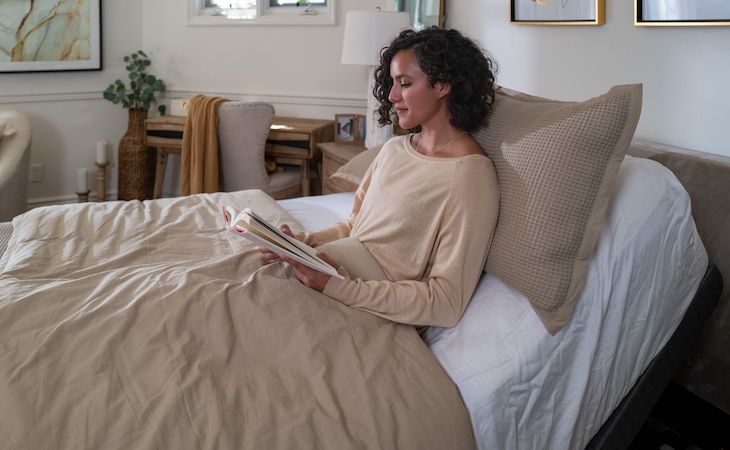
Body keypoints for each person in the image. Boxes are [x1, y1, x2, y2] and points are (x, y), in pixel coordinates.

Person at [262, 27, 500, 328]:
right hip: (327, 272)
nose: (391, 96)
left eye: (405, 83)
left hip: (360, 303)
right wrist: (299, 243)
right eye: (392, 83)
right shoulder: (394, 149)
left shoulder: (469, 175)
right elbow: (355, 227)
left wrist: (333, 285)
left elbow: (446, 303)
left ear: (443, 85)